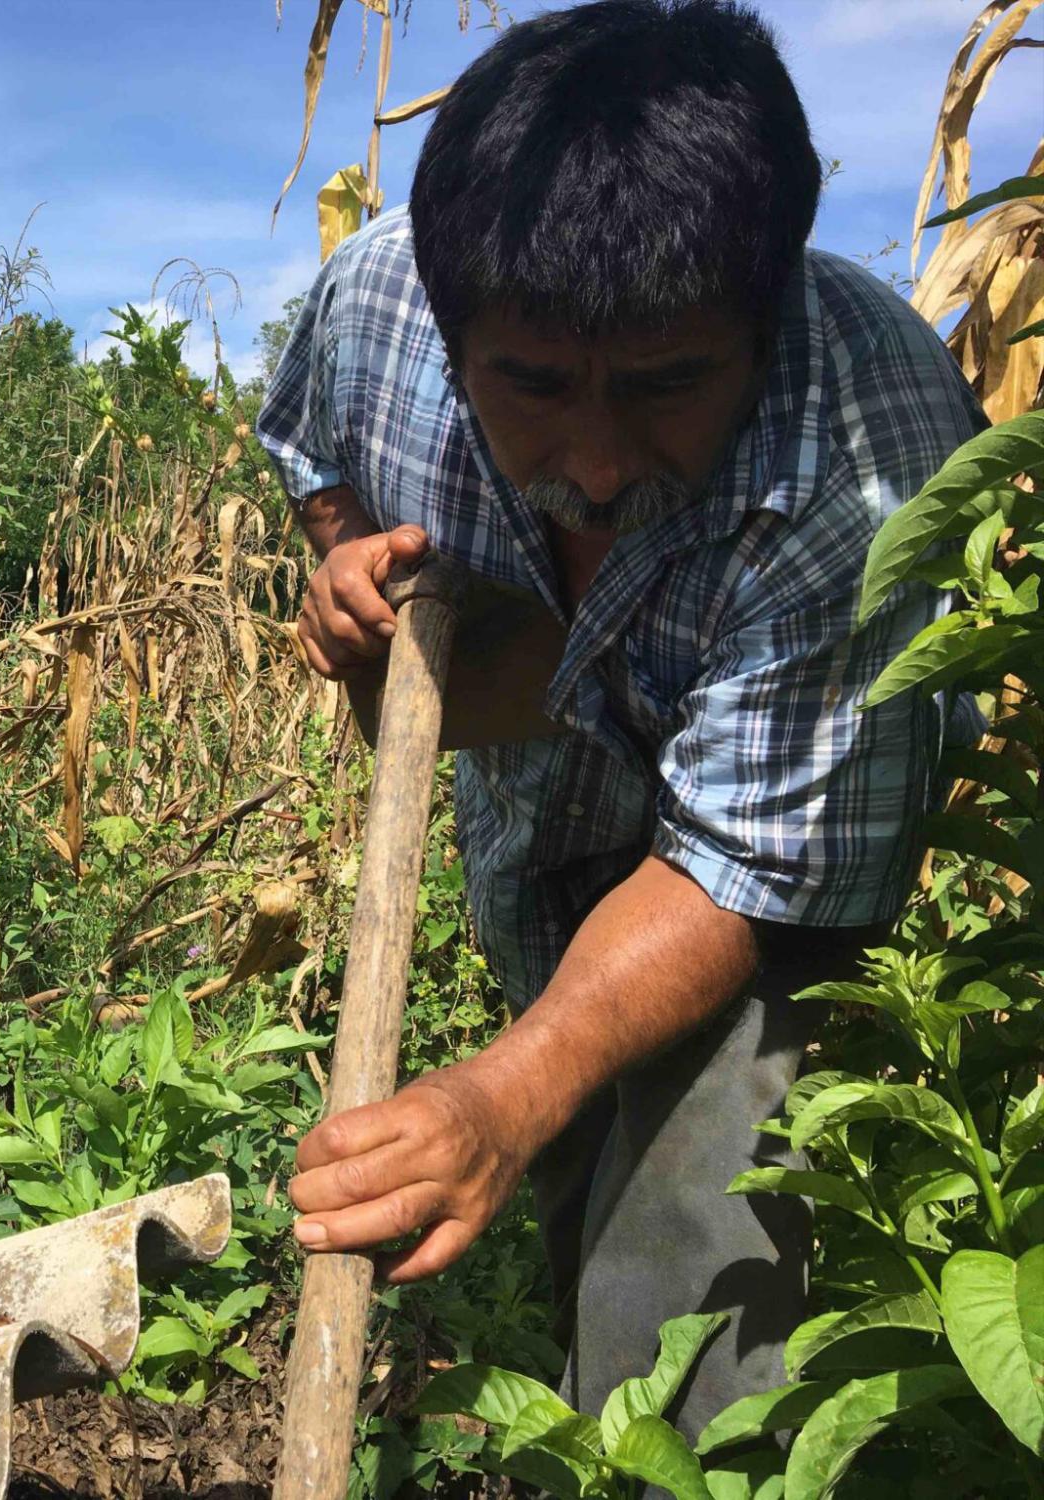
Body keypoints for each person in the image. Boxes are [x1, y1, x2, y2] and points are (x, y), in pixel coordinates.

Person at [257, 0, 985, 1435]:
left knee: (693, 1200)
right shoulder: (378, 302)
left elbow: (738, 866)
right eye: (533, 385)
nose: (593, 460)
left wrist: (502, 1096)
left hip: (768, 835)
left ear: (763, 324)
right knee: (561, 1143)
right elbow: (311, 453)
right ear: (458, 325)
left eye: (665, 387)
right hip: (548, 795)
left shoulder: (870, 467)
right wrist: (345, 570)